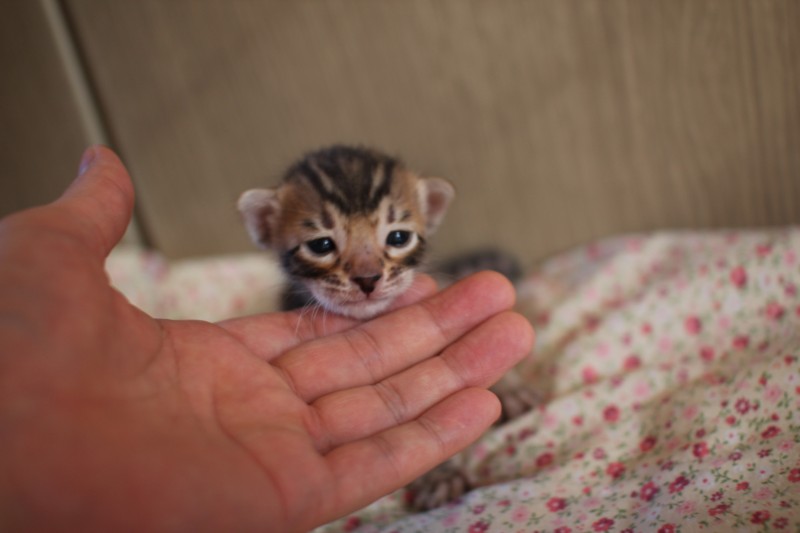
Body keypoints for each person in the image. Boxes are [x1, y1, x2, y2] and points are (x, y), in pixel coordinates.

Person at [0, 146, 534, 531]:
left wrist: (498, 384)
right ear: (264, 228)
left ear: (429, 214)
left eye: (396, 238)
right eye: (323, 245)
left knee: (459, 321)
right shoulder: (299, 327)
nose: (369, 273)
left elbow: (436, 357)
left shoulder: (412, 293)